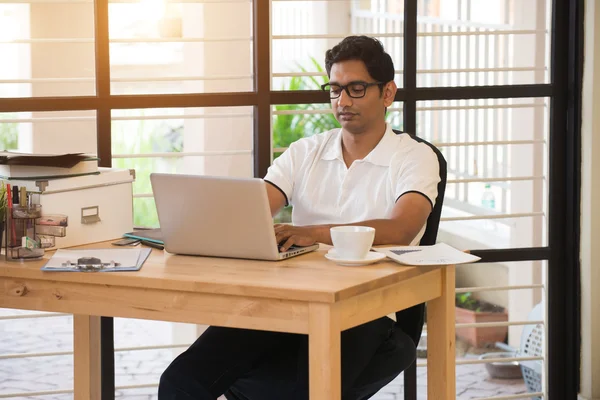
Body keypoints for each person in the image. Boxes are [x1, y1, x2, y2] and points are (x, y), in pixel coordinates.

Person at [158, 35, 440, 400]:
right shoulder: (306, 151)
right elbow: (255, 208)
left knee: (300, 392)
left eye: (356, 89)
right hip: (288, 300)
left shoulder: (414, 157)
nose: (342, 101)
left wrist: (313, 233)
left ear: (387, 93)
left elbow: (402, 229)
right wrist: (193, 223)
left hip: (367, 309)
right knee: (181, 381)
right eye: (335, 89)